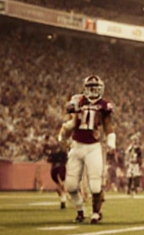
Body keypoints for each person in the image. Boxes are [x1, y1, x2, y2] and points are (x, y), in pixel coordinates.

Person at [63, 75, 115, 224]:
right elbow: (70, 114)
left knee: (95, 185)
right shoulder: (78, 100)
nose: (92, 91)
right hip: (77, 145)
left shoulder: (104, 105)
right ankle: (80, 210)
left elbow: (108, 124)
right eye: (90, 88)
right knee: (71, 185)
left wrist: (111, 140)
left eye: (95, 88)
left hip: (93, 147)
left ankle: (96, 212)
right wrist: (69, 122)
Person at [41, 134, 70, 209]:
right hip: (54, 169)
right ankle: (64, 198)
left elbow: (65, 158)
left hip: (60, 168)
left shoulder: (61, 150)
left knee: (60, 184)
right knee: (59, 188)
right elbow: (48, 157)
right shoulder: (51, 150)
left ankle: (65, 197)